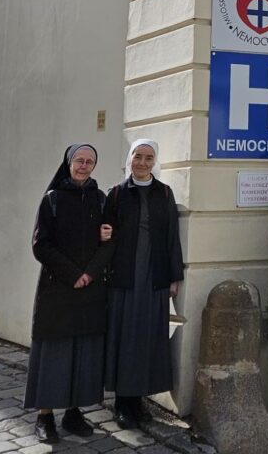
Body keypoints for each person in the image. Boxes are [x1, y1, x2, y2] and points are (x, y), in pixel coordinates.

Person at [24, 144, 112, 443]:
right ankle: (45, 416)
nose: (84, 166)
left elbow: (110, 241)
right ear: (69, 163)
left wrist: (90, 273)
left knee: (83, 353)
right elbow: (40, 245)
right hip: (57, 290)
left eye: (89, 161)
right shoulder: (52, 199)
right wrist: (73, 274)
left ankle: (74, 413)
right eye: (79, 160)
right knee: (53, 354)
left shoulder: (101, 199)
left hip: (90, 291)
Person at [104, 138, 184, 430]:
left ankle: (138, 400)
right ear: (130, 158)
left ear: (155, 162)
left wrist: (174, 276)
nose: (142, 162)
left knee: (148, 337)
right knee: (125, 338)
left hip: (154, 277)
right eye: (138, 156)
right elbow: (105, 237)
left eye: (149, 158)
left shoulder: (164, 193)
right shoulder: (116, 194)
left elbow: (172, 237)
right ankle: (122, 402)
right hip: (125, 278)